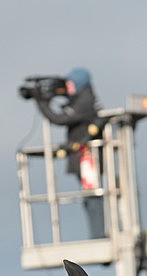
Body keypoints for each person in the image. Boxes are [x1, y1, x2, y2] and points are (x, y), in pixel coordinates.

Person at [33, 66, 106, 240]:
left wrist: (42, 102)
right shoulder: (83, 98)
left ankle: (98, 235)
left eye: (71, 84)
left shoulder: (84, 101)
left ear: (80, 84)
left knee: (92, 196)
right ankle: (97, 234)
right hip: (84, 156)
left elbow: (60, 118)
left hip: (88, 157)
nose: (68, 87)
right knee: (89, 196)